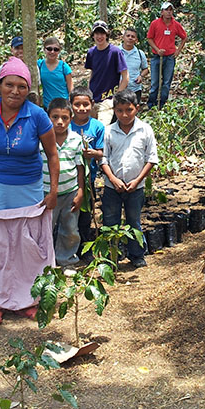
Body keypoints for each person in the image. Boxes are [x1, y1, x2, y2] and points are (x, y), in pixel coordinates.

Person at [0, 57, 60, 329]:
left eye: (21, 86)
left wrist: (52, 191)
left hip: (28, 189)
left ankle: (28, 300)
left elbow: (53, 155)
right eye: (9, 85)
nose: (15, 91)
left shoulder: (37, 115)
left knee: (27, 247)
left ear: (28, 89)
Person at [100, 89, 158, 269]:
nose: (124, 114)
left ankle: (137, 255)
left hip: (136, 187)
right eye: (119, 111)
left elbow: (151, 158)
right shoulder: (109, 131)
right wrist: (113, 179)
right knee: (111, 222)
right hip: (112, 187)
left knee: (134, 221)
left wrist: (138, 180)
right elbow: (103, 159)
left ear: (137, 109)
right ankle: (112, 256)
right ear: (114, 111)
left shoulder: (145, 130)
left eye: (129, 110)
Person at [40, 98, 85, 266]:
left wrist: (80, 191)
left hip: (70, 191)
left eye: (65, 118)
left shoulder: (75, 139)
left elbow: (80, 168)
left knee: (70, 229)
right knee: (45, 229)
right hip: (46, 192)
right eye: (55, 117)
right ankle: (45, 263)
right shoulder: (41, 140)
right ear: (48, 117)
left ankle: (66, 260)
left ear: (71, 119)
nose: (60, 122)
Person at [69, 86, 105, 250]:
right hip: (68, 179)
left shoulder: (97, 127)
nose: (82, 109)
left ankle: (85, 247)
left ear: (92, 104)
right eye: (77, 105)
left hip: (88, 180)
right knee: (68, 215)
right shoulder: (66, 125)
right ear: (71, 105)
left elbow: (101, 153)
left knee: (85, 215)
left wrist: (94, 153)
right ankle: (69, 248)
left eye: (85, 105)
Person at [85, 20, 128, 125]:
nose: (99, 36)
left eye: (102, 33)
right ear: (93, 35)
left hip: (108, 99)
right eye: (97, 33)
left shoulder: (115, 52)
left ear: (107, 34)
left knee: (102, 128)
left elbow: (125, 77)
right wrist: (88, 94)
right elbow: (92, 73)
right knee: (90, 130)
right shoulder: (91, 52)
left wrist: (116, 97)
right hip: (93, 97)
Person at [146, 1, 187, 108]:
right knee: (155, 83)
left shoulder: (176, 25)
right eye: (166, 10)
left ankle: (162, 104)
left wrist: (178, 51)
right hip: (156, 57)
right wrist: (157, 49)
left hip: (170, 58)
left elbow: (184, 37)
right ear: (162, 12)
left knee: (166, 83)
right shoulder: (155, 23)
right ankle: (151, 104)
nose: (169, 12)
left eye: (170, 10)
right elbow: (149, 38)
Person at [37, 36, 73, 108]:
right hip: (48, 106)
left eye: (56, 49)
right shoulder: (39, 65)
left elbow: (71, 88)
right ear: (44, 49)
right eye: (49, 49)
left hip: (63, 105)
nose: (52, 52)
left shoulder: (64, 67)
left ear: (59, 51)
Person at [121, 28, 149, 104]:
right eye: (128, 36)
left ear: (136, 40)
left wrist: (141, 76)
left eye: (133, 37)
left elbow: (145, 69)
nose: (130, 38)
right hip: (119, 89)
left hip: (135, 89)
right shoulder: (116, 52)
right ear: (123, 37)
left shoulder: (140, 53)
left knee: (133, 111)